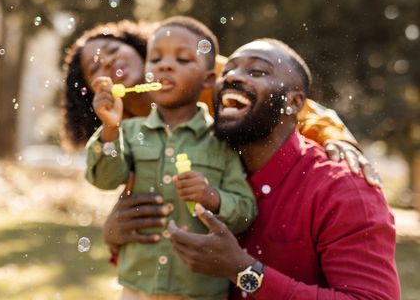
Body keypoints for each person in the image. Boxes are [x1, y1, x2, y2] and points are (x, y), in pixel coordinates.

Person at [165, 38, 400, 299]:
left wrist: (244, 272)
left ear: (294, 102)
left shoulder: (344, 189)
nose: (232, 77)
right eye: (228, 70)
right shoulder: (206, 173)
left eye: (257, 71)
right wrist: (117, 238)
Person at [60, 20, 373, 179]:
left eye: (113, 51)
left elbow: (285, 103)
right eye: (95, 67)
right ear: (88, 86)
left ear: (136, 46)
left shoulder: (202, 76)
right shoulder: (121, 126)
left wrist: (336, 137)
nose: (109, 63)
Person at [85, 16, 256, 299]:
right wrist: (110, 128)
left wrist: (213, 197)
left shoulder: (222, 142)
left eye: (183, 59)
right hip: (136, 290)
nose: (165, 65)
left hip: (199, 292)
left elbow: (246, 211)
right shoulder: (127, 131)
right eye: (155, 59)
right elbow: (105, 178)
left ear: (209, 78)